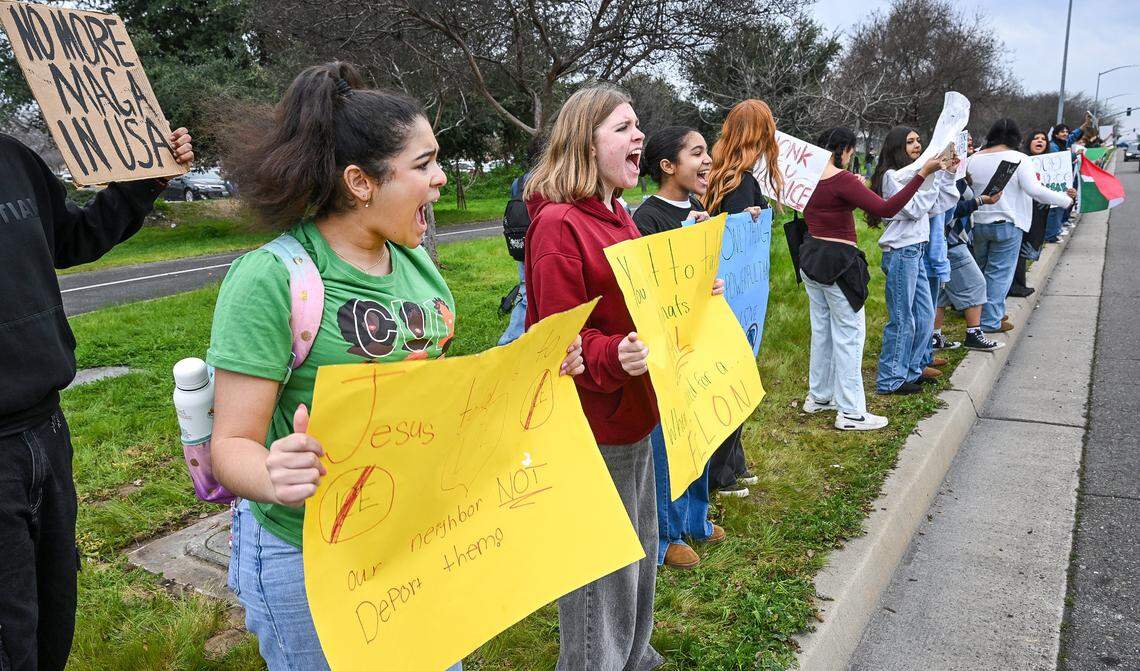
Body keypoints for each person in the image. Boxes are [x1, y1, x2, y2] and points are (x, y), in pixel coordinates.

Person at [207, 62, 583, 671]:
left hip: (413, 540)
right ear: (361, 181)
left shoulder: (415, 263)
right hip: (307, 557)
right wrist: (274, 474)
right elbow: (231, 444)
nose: (440, 180)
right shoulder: (273, 278)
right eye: (424, 164)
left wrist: (533, 370)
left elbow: (439, 400)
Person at [524, 84, 721, 671]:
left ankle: (634, 656)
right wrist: (614, 355)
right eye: (624, 127)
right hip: (593, 427)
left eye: (638, 126)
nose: (640, 136)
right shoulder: (559, 225)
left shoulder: (619, 216)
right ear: (586, 141)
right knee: (598, 569)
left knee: (636, 554)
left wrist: (691, 295)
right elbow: (557, 338)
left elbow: (642, 299)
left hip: (635, 417)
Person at [0, 126, 193, 670]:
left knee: (51, 616)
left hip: (45, 432)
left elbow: (73, 237)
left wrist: (145, 180)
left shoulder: (12, 158)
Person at [799, 127, 939, 429]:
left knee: (822, 330)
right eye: (851, 151)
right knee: (850, 335)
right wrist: (921, 175)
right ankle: (851, 412)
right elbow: (886, 208)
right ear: (844, 150)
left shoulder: (807, 178)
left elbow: (829, 204)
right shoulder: (842, 179)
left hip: (810, 256)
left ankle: (820, 396)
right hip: (839, 263)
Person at [631, 125, 726, 569]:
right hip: (664, 346)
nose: (706, 160)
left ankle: (697, 519)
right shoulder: (646, 219)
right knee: (668, 442)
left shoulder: (700, 207)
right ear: (668, 166)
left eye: (706, 151)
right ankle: (666, 535)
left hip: (696, 339)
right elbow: (647, 285)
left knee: (700, 430)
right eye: (697, 152)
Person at [700, 98, 778, 497]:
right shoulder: (742, 180)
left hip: (721, 291)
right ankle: (721, 473)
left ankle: (734, 463)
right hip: (733, 297)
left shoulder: (719, 174)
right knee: (734, 380)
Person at [869, 126, 955, 395]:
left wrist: (946, 173)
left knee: (924, 314)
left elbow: (939, 205)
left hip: (916, 250)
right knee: (902, 317)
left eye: (919, 141)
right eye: (910, 142)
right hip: (900, 252)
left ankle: (913, 369)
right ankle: (890, 379)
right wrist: (927, 176)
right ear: (897, 147)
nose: (917, 145)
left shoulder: (915, 176)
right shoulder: (892, 177)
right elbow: (916, 208)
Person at [966, 118, 1074, 334]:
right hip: (1008, 223)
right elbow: (1035, 190)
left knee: (980, 272)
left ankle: (979, 315)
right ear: (1016, 137)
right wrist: (1064, 199)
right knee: (999, 274)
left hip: (976, 222)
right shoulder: (1019, 158)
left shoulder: (973, 159)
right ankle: (990, 320)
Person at [933, 135, 1007, 352]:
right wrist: (981, 200)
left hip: (954, 240)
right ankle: (974, 334)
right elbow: (950, 210)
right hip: (950, 241)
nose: (971, 146)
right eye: (965, 142)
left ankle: (934, 337)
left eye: (971, 142)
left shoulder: (959, 172)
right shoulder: (944, 175)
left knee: (942, 293)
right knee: (976, 285)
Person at [497, 136, 545, 345]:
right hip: (541, 241)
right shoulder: (547, 180)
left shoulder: (519, 182)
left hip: (520, 243)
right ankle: (510, 341)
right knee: (530, 294)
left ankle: (516, 338)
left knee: (525, 288)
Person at [1010, 130, 1052, 297]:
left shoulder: (1052, 163)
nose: (1040, 141)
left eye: (1043, 139)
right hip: (1020, 208)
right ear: (1029, 142)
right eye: (1036, 138)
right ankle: (1016, 285)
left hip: (1039, 210)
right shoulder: (1020, 160)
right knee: (1018, 246)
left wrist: (1066, 194)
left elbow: (1057, 188)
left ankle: (1019, 283)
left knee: (1028, 244)